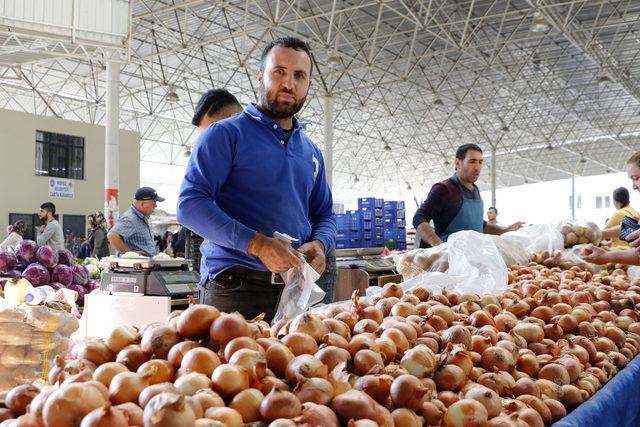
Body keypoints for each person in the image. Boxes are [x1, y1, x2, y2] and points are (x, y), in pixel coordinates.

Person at [177, 37, 336, 322]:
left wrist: (321, 243)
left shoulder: (311, 152)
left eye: (299, 76)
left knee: (297, 365)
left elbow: (324, 213)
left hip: (294, 288)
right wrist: (257, 244)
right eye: (279, 72)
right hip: (234, 288)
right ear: (260, 76)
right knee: (231, 365)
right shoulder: (225, 135)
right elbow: (190, 205)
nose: (289, 83)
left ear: (308, 85)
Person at [413, 144, 523, 248]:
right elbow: (419, 217)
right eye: (472, 161)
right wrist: (439, 245)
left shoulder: (476, 190)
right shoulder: (445, 189)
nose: (477, 167)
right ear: (458, 163)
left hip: (475, 254)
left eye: (480, 162)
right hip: (451, 257)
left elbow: (480, 224)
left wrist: (506, 229)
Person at [583, 152, 640, 265]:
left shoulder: (619, 213)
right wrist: (600, 235)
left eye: (636, 178)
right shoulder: (631, 210)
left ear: (615, 200)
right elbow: (632, 229)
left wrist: (607, 254)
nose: (633, 186)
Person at [107, 187, 164, 257]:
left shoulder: (140, 218)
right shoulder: (131, 218)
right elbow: (112, 236)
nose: (156, 206)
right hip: (136, 266)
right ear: (142, 204)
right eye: (154, 202)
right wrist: (129, 253)